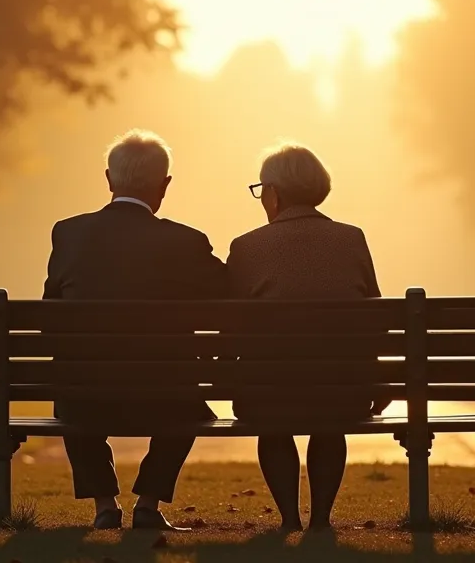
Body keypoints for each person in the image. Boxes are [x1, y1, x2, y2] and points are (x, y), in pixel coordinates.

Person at [43, 129, 226, 531]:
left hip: (86, 395)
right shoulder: (186, 242)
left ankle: (105, 505)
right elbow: (229, 300)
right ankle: (148, 502)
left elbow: (50, 315)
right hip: (164, 396)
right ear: (164, 186)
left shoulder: (69, 234)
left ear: (109, 179)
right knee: (188, 401)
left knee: (73, 381)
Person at [226, 143, 384, 531]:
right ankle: (322, 520)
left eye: (261, 190)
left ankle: (289, 519)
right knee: (329, 418)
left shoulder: (247, 247)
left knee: (272, 419)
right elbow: (375, 316)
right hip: (344, 393)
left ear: (275, 194)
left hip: (266, 396)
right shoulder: (352, 239)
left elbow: (229, 326)